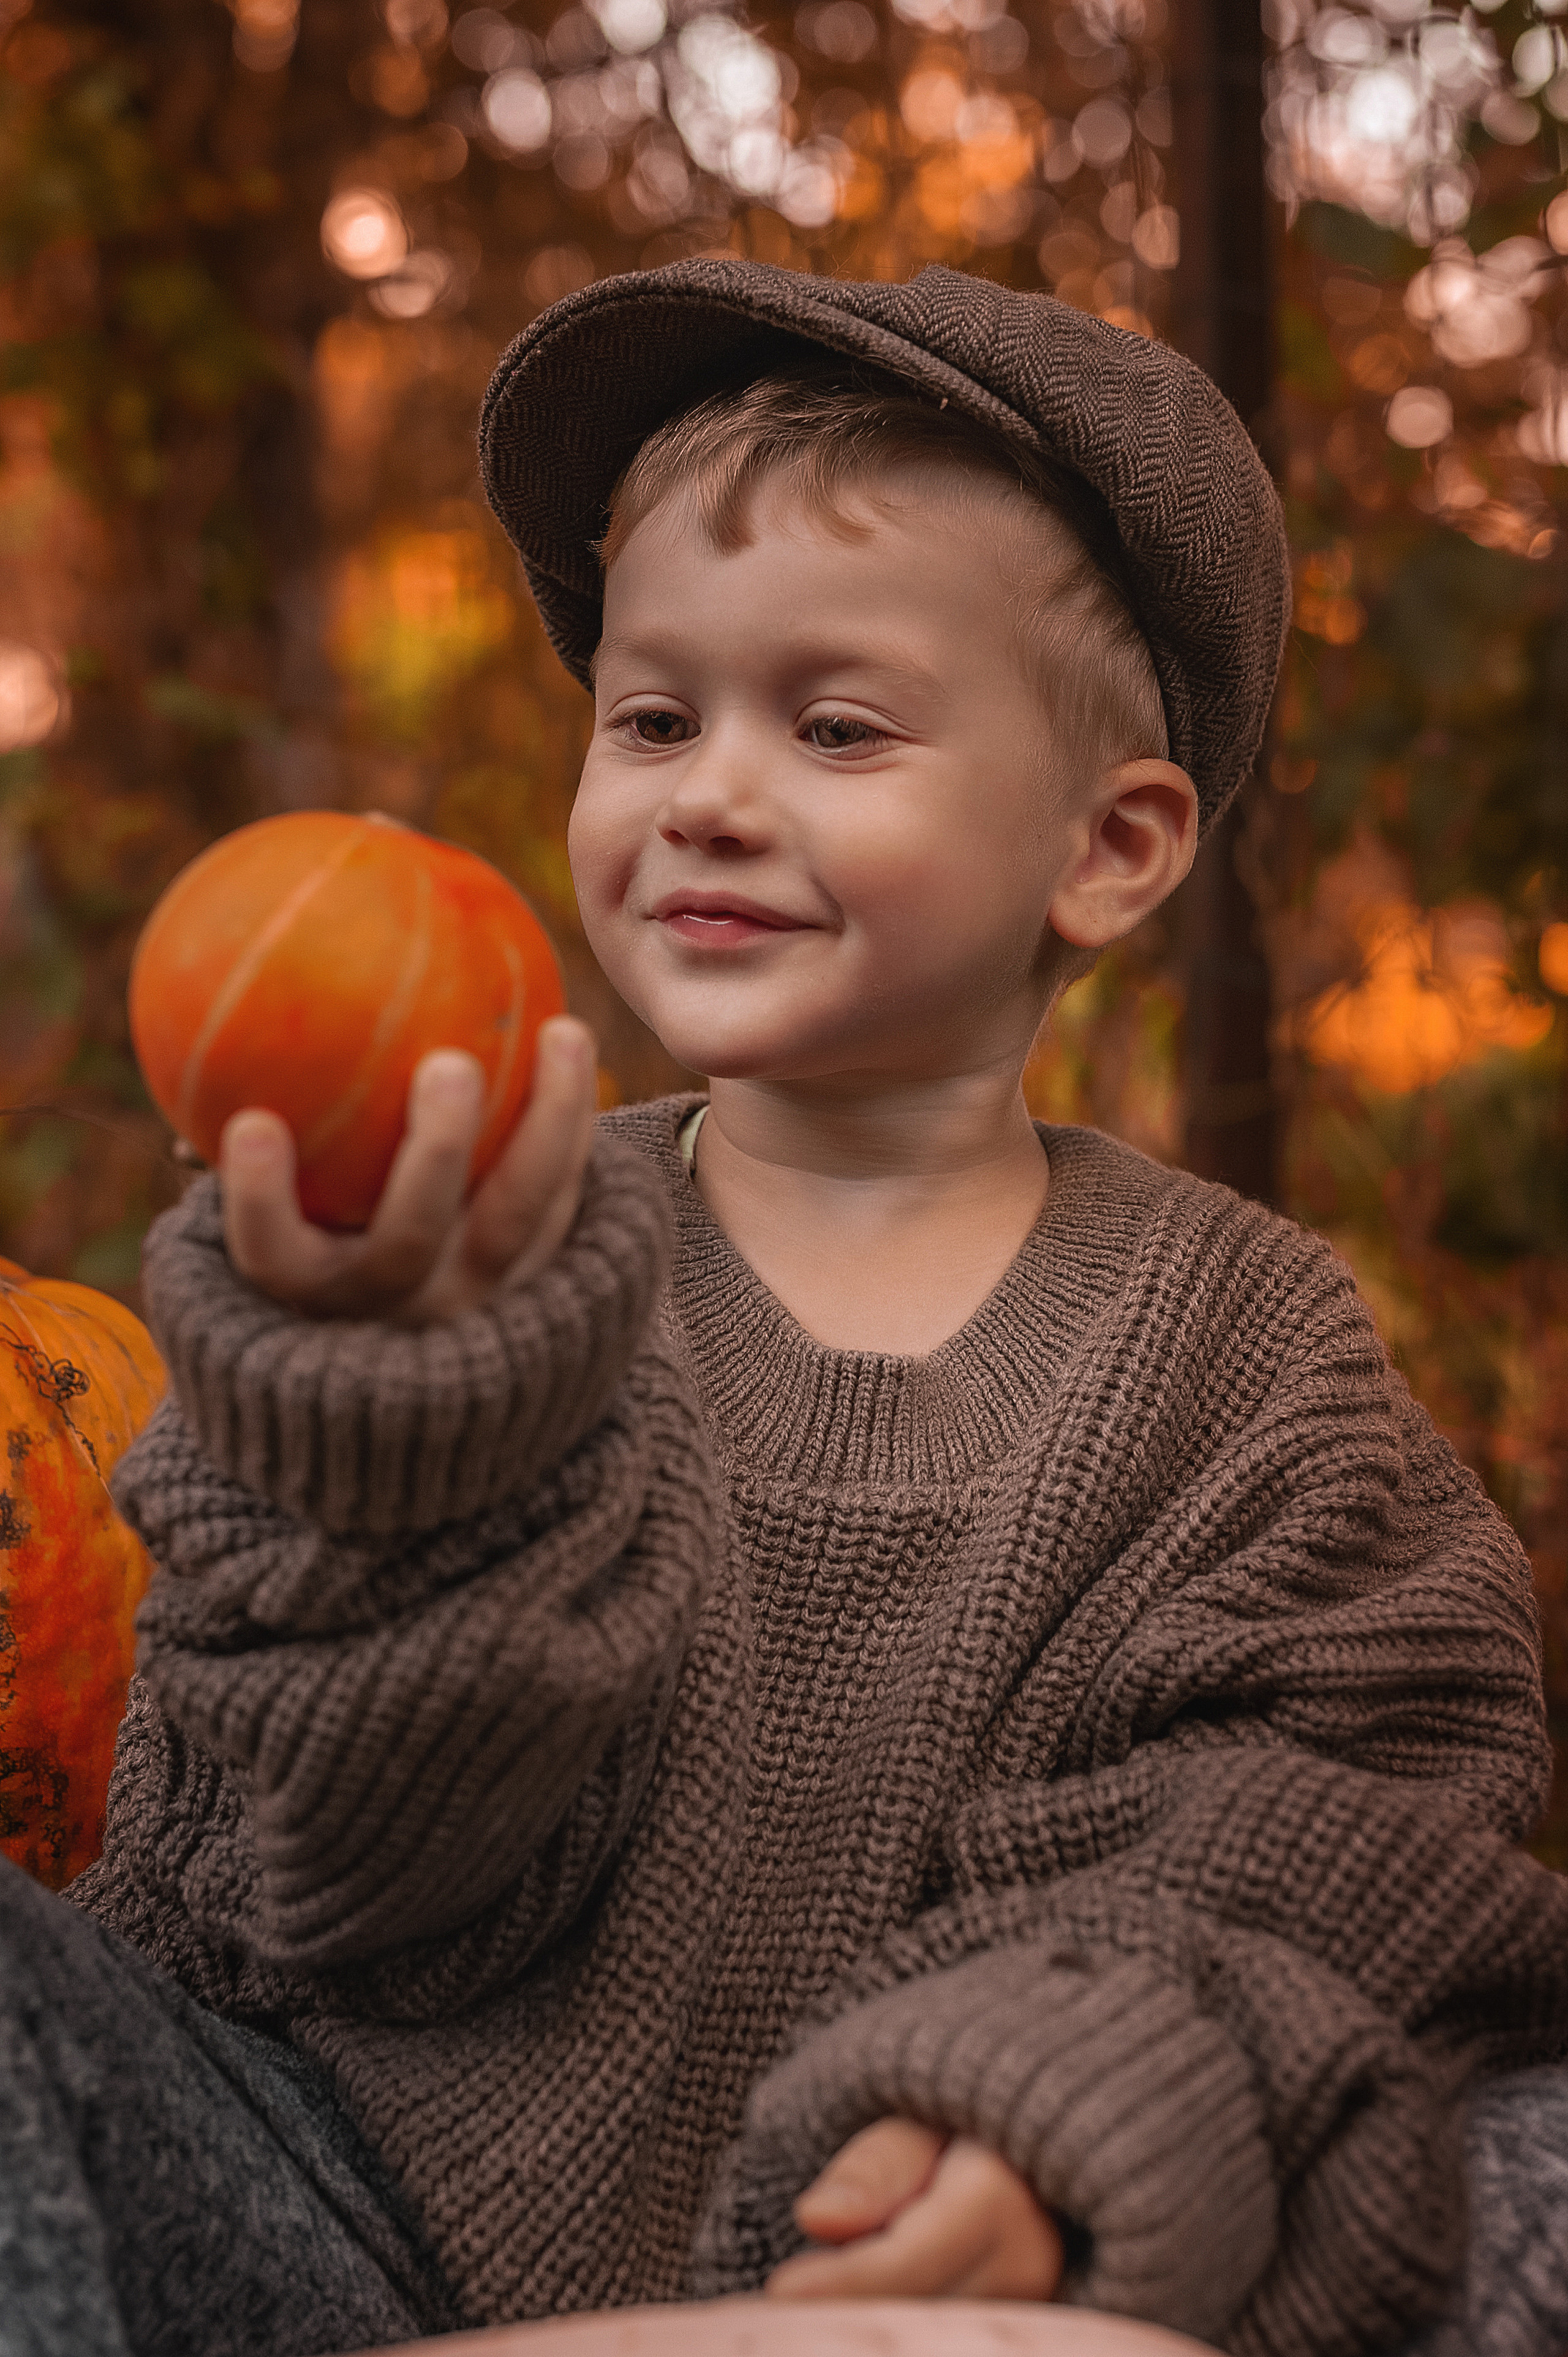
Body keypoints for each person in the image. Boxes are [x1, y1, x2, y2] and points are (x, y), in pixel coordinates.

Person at [4, 260, 1568, 2357]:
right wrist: (396, 1408)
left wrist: (1044, 2110)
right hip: (330, 2217)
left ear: (1109, 848)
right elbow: (319, 1882)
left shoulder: (1243, 1359)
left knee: (1517, 2156)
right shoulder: (471, 1262)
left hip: (932, 2253)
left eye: (836, 728)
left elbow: (1320, 1827)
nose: (709, 795)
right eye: (654, 718)